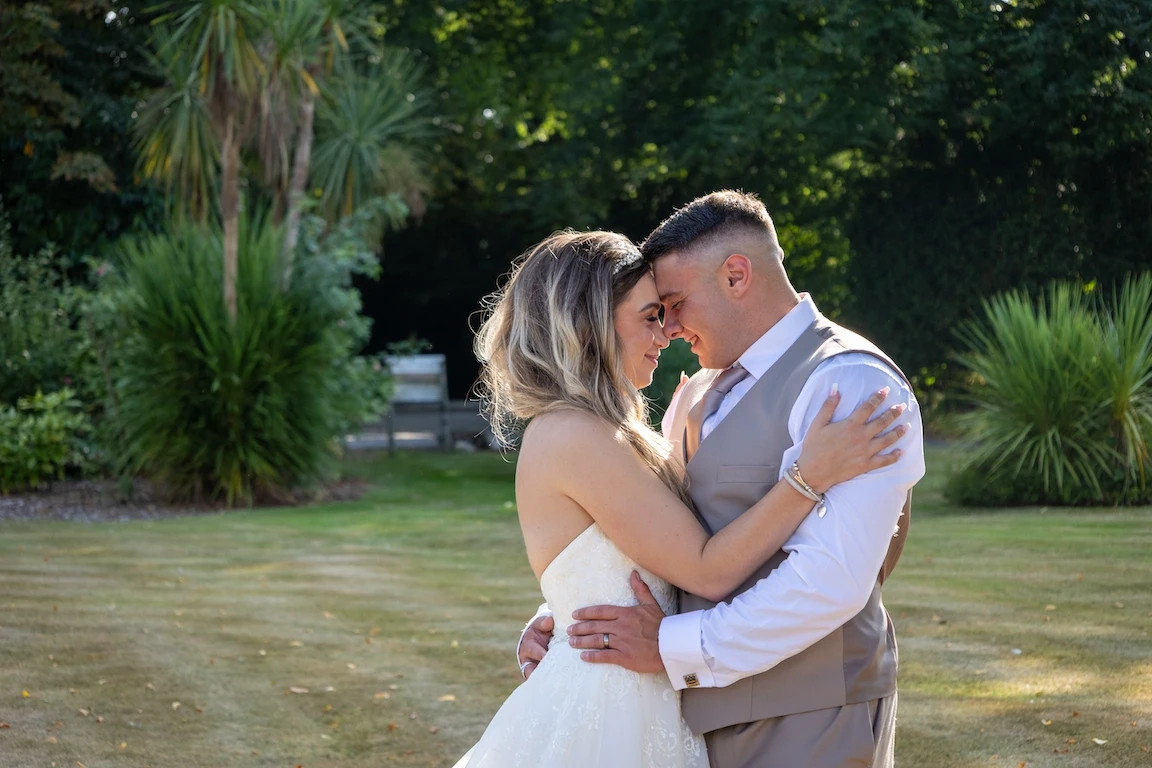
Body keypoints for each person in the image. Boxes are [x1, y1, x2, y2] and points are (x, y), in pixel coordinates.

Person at [457, 228, 910, 767]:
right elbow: (703, 567)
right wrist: (806, 479)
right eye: (651, 315)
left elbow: (633, 543)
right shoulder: (573, 433)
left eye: (670, 308)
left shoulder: (623, 425)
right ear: (591, 323)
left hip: (717, 701)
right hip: (612, 707)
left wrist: (565, 611)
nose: (667, 331)